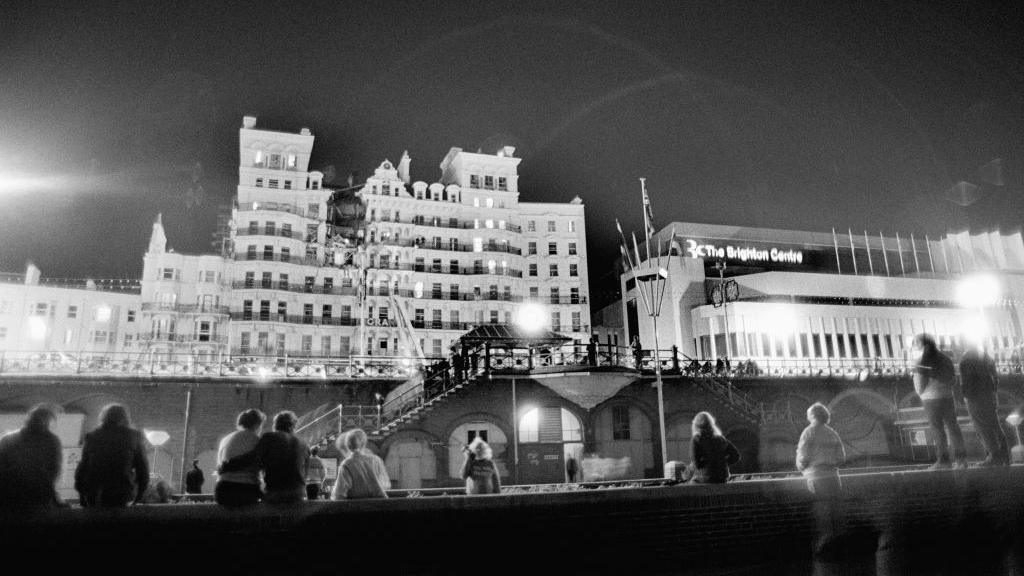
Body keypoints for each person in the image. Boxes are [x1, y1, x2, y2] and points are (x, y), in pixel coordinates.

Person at [220, 410, 309, 504]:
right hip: (298, 494)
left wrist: (226, 465)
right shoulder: (304, 444)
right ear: (293, 426)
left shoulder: (269, 437)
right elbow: (305, 473)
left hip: (276, 493)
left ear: (275, 424)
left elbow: (252, 458)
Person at [74, 404, 149, 508]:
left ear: (103, 417)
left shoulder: (92, 436)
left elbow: (83, 467)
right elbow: (142, 468)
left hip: (94, 491)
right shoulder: (134, 436)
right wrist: (139, 495)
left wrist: (82, 495)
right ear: (125, 418)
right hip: (122, 490)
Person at [912, 333, 966, 469]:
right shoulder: (945, 359)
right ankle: (961, 460)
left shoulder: (921, 361)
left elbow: (920, 384)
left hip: (930, 399)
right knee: (953, 427)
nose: (915, 346)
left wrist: (921, 393)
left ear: (923, 344)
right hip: (947, 397)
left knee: (937, 429)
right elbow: (953, 379)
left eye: (916, 343)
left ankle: (943, 460)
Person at [0, 404, 64, 513]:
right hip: (39, 496)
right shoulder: (52, 441)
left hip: (8, 495)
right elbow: (54, 470)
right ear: (48, 423)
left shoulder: (7, 439)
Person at [960, 344, 1010, 466]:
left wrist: (966, 396)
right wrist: (993, 391)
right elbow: (995, 377)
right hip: (990, 395)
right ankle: (1004, 454)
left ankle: (994, 455)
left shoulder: (967, 358)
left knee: (982, 425)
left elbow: (968, 381)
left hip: (976, 397)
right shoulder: (986, 357)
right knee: (994, 424)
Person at [214, 408, 265, 508]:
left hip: (221, 490)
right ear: (257, 424)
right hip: (244, 491)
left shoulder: (226, 439)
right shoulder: (256, 440)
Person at [795, 403, 846, 496]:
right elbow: (841, 458)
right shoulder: (833, 433)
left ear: (812, 416)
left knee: (820, 507)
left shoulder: (808, 432)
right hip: (833, 478)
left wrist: (802, 468)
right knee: (834, 508)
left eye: (808, 415)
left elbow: (803, 458)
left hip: (815, 478)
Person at [331, 429, 390, 499]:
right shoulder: (376, 460)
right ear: (364, 443)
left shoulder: (347, 464)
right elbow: (386, 485)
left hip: (357, 507)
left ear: (347, 445)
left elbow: (339, 494)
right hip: (380, 504)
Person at [688, 412, 740, 484]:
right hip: (723, 477)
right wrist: (722, 462)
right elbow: (736, 456)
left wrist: (708, 462)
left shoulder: (697, 439)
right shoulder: (720, 439)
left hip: (706, 477)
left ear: (696, 425)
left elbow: (697, 464)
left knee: (688, 484)